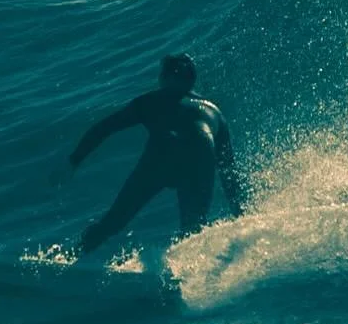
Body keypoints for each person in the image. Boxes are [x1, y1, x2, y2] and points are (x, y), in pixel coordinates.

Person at [69, 54, 243, 258]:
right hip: (199, 157)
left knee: (112, 222)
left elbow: (104, 128)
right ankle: (190, 274)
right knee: (193, 231)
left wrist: (73, 162)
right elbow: (228, 171)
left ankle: (74, 257)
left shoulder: (153, 101)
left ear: (167, 77)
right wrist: (242, 218)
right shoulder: (215, 113)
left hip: (162, 157)